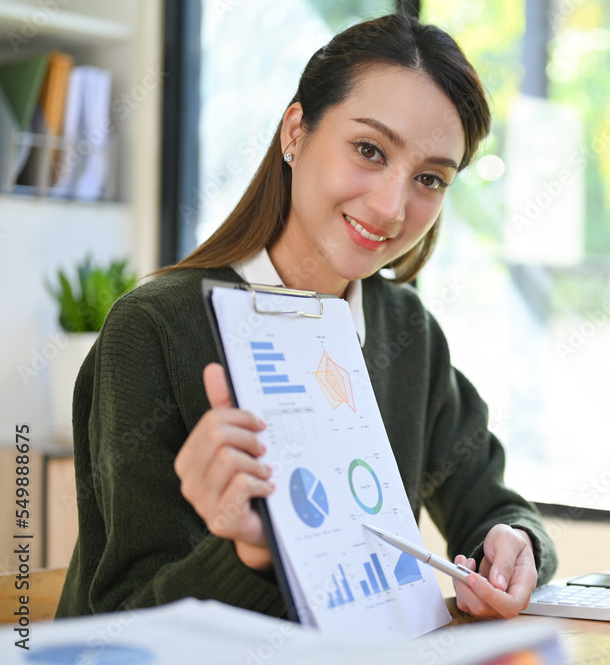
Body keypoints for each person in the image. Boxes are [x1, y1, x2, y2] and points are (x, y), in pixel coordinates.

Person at [56, 13, 556, 622]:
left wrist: (513, 543)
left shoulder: (406, 331)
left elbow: (490, 502)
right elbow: (124, 618)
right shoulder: (155, 330)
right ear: (296, 132)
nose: (393, 206)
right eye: (370, 150)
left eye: (430, 178)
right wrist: (249, 554)